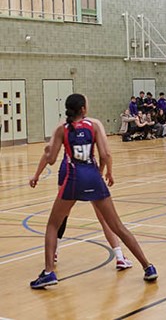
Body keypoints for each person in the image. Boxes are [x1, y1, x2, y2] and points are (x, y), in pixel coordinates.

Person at [29, 93, 157, 289]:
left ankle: (48, 272)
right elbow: (105, 154)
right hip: (93, 176)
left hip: (73, 178)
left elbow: (52, 158)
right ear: (83, 109)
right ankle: (148, 267)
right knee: (118, 226)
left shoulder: (61, 129)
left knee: (53, 225)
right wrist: (107, 174)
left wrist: (44, 159)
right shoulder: (94, 124)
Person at [30, 154, 133, 270]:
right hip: (88, 171)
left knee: (60, 217)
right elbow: (106, 154)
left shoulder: (63, 134)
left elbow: (49, 153)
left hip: (67, 169)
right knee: (104, 218)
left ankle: (54, 252)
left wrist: (37, 175)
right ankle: (120, 257)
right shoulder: (95, 134)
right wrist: (104, 171)